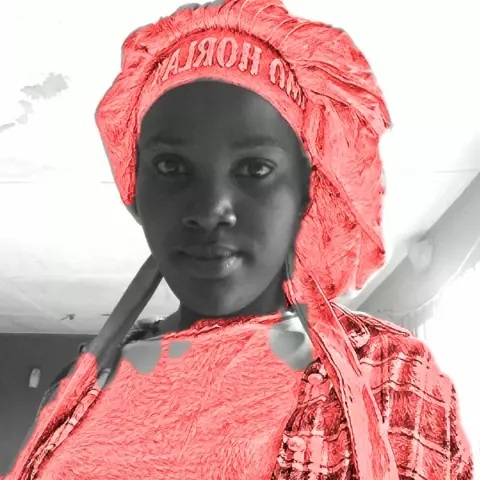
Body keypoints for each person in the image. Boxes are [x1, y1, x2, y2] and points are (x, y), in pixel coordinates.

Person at [7, 1, 473, 479]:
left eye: (255, 168)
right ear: (136, 188)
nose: (210, 209)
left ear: (307, 190)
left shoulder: (392, 378)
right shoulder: (77, 392)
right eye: (170, 166)